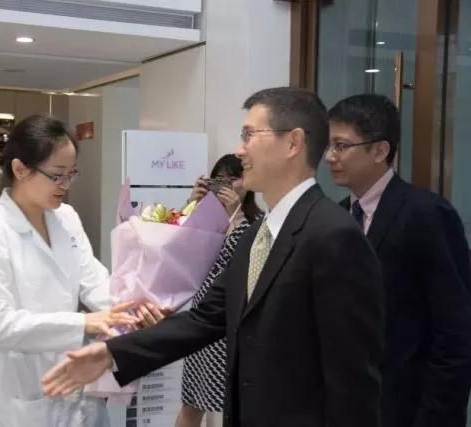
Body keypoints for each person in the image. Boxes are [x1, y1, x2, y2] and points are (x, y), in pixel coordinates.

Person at [43, 87, 386, 427]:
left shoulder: (334, 235)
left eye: (249, 134)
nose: (240, 149)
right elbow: (205, 319)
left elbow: (353, 379)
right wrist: (112, 354)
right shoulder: (256, 235)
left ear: (293, 143)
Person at [0, 115, 164, 427]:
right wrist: (83, 322)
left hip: (77, 379)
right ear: (20, 169)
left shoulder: (66, 218)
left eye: (71, 174)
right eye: (57, 175)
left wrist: (132, 308)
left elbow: (94, 281)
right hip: (24, 390)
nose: (65, 185)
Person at [325, 93, 471, 427]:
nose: (330, 157)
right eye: (329, 145)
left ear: (380, 150)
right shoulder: (338, 216)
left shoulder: (426, 213)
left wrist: (435, 417)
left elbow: (455, 331)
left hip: (408, 407)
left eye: (341, 146)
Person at [178, 154, 262, 427]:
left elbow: (247, 265)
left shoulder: (256, 223)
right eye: (218, 179)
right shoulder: (200, 217)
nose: (226, 186)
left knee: (230, 405)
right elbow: (175, 247)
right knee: (191, 403)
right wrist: (191, 203)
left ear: (246, 182)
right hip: (200, 315)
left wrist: (235, 214)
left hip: (231, 322)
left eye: (232, 179)